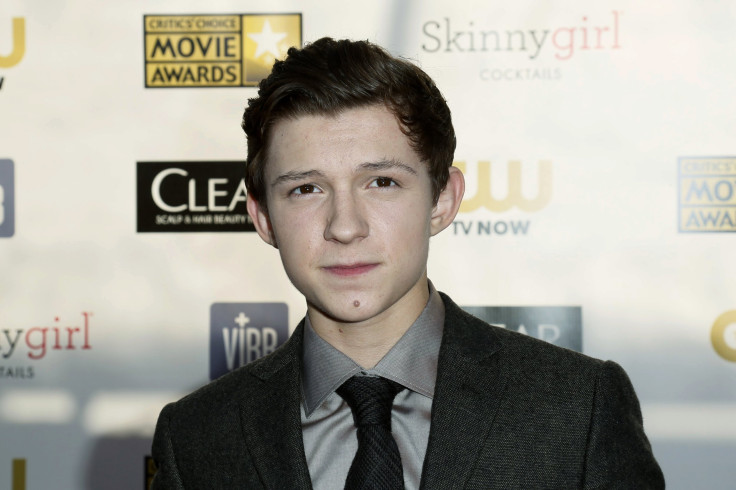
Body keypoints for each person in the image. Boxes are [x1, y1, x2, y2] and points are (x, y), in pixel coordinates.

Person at [151, 37, 664, 489]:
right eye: (306, 189)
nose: (345, 226)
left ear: (442, 199)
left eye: (382, 182)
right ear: (263, 217)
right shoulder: (196, 437)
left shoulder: (578, 409)